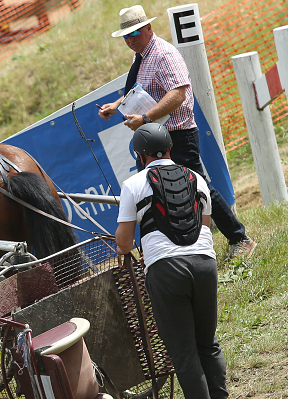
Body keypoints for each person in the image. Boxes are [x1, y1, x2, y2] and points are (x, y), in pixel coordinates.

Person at [99, 5, 256, 260]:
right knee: (151, 189)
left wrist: (146, 118)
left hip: (178, 134)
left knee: (199, 186)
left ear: (149, 27)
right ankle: (163, 251)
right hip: (158, 135)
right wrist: (117, 105)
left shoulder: (163, 54)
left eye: (135, 33)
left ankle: (240, 238)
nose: (130, 40)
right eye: (126, 36)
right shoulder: (142, 55)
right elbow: (141, 89)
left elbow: (178, 94)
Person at [115, 123, 232, 399]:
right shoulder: (197, 179)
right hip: (205, 265)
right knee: (207, 342)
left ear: (139, 156)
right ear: (170, 148)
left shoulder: (133, 185)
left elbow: (124, 244)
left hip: (166, 272)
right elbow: (205, 225)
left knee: (183, 352)